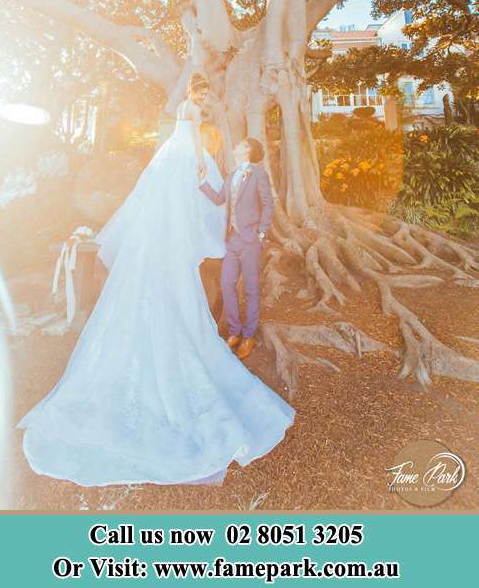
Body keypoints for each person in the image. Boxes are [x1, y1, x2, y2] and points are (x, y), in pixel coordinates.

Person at [16, 74, 295, 487]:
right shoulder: (188, 122)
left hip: (175, 192)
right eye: (200, 93)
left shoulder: (175, 145)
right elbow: (196, 148)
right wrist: (202, 161)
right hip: (183, 174)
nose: (203, 98)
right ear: (193, 94)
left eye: (204, 94)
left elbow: (190, 163)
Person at [199, 138, 272, 361]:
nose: (236, 145)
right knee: (226, 283)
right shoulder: (231, 174)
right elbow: (219, 199)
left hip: (250, 240)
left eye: (240, 144)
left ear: (248, 150)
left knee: (250, 289)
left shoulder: (259, 174)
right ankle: (234, 331)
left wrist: (260, 233)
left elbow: (268, 203)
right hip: (231, 241)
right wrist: (201, 182)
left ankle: (249, 336)